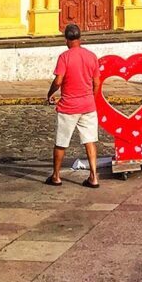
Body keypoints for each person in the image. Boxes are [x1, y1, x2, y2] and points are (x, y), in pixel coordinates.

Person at [45, 24, 101, 188]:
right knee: (90, 141)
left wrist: (50, 94)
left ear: (66, 40)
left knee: (61, 142)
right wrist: (92, 97)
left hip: (68, 106)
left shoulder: (64, 57)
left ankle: (56, 176)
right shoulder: (91, 56)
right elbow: (96, 82)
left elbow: (58, 81)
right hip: (88, 105)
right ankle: (93, 177)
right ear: (80, 38)